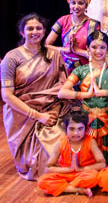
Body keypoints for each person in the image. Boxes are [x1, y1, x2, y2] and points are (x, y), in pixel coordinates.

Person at [1, 13, 71, 180]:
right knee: (42, 167)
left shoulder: (53, 55)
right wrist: (38, 116)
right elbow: (7, 96)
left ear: (44, 31)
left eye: (38, 28)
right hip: (23, 114)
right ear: (22, 32)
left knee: (67, 148)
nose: (35, 32)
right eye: (30, 28)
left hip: (53, 111)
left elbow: (62, 86)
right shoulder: (11, 58)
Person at [58, 31, 108, 164]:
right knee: (87, 153)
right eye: (94, 47)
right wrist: (86, 95)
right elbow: (62, 93)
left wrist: (102, 92)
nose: (98, 51)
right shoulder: (80, 70)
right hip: (86, 119)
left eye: (102, 47)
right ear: (87, 49)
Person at [37, 110, 106, 197]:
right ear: (65, 129)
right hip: (65, 174)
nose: (76, 133)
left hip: (84, 174)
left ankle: (66, 187)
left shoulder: (90, 141)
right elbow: (48, 168)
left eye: (80, 129)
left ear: (86, 128)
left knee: (94, 177)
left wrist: (79, 169)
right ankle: (77, 189)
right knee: (42, 181)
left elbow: (102, 164)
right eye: (72, 129)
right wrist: (70, 169)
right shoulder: (61, 142)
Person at [45, 0, 100, 73]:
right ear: (69, 4)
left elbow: (97, 53)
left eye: (81, 3)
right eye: (73, 3)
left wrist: (77, 50)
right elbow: (46, 45)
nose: (76, 6)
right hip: (63, 67)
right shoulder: (63, 20)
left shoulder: (93, 25)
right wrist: (66, 50)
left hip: (86, 69)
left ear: (86, 5)